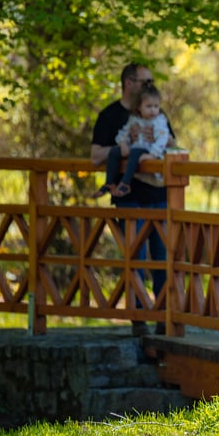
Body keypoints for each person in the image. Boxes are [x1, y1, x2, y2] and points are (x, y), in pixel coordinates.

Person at [91, 63, 176, 336]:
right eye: (145, 81)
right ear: (129, 83)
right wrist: (123, 149)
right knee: (136, 257)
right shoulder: (110, 115)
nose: (151, 85)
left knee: (162, 257)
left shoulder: (156, 111)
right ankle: (139, 317)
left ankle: (163, 317)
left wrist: (158, 141)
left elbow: (172, 142)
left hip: (159, 194)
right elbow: (95, 156)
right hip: (128, 197)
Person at [93, 85, 169, 198]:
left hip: (149, 150)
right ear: (139, 107)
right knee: (114, 151)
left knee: (134, 153)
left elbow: (163, 139)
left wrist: (152, 154)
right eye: (148, 106)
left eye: (156, 106)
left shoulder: (158, 122)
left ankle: (125, 184)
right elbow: (123, 132)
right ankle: (109, 183)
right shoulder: (134, 119)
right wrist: (123, 143)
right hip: (134, 148)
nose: (153, 110)